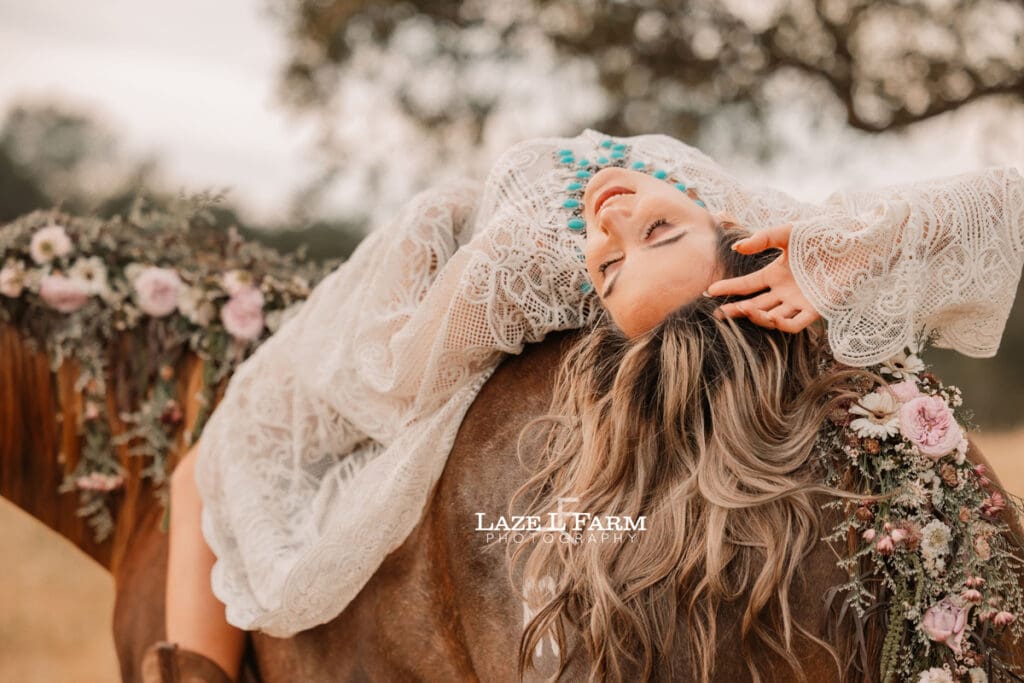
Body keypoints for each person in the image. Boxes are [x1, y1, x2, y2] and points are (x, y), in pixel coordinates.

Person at [142, 128, 1024, 682]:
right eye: (659, 233)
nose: (610, 226)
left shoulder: (520, 274)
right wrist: (835, 258)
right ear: (731, 241)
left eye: (610, 266)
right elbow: (1001, 202)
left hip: (396, 295)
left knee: (208, 469)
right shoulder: (762, 227)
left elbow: (390, 366)